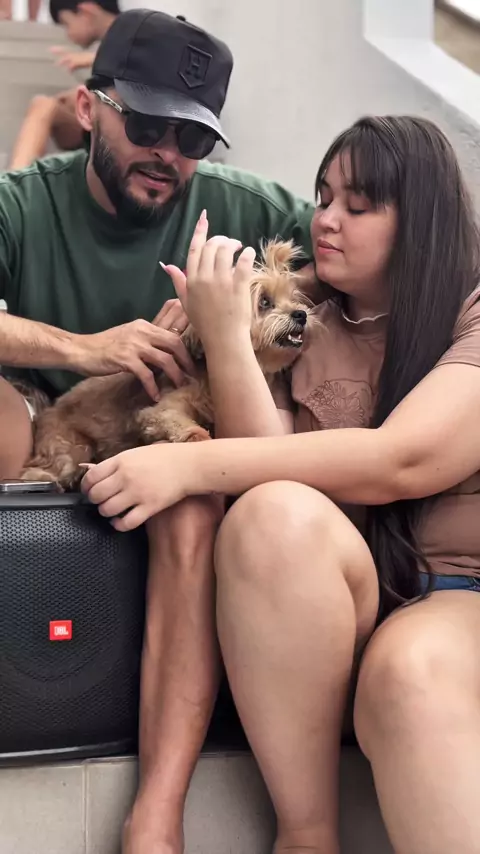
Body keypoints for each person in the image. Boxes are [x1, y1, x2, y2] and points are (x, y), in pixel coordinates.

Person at [83, 114, 480, 854]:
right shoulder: (306, 324)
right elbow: (264, 466)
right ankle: (305, 836)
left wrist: (184, 464)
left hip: (457, 594)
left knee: (412, 672)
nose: (325, 220)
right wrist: (228, 332)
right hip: (340, 600)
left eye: (357, 205)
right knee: (271, 514)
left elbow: (406, 459)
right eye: (322, 197)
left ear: (422, 220)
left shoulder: (472, 311)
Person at [0, 9, 315, 853]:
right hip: (50, 421)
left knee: (194, 496)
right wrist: (80, 347)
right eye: (145, 125)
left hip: (177, 457)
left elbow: (373, 246)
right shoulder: (23, 202)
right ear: (88, 106)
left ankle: (158, 813)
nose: (167, 153)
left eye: (193, 137)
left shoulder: (247, 207)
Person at [8, 0, 120, 170]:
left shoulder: (138, 31)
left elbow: (147, 61)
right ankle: (19, 176)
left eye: (67, 24)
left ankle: (14, 181)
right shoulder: (108, 44)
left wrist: (94, 58)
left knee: (44, 105)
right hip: (100, 125)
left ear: (86, 12)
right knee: (48, 104)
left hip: (125, 125)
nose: (68, 34)